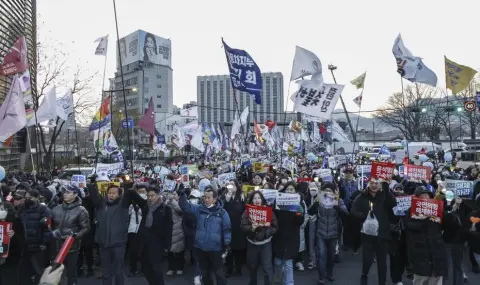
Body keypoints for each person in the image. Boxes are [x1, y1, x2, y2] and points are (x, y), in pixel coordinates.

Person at [89, 182, 145, 285]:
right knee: (106, 273)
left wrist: (128, 185)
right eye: (109, 193)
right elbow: (94, 196)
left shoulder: (123, 204)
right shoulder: (102, 204)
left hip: (118, 244)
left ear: (119, 195)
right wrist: (92, 186)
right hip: (103, 244)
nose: (111, 195)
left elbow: (128, 194)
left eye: (114, 193)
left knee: (118, 271)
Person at [178, 185, 231, 285]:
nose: (206, 200)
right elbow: (186, 206)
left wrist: (227, 244)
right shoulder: (199, 209)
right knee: (205, 274)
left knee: (219, 274)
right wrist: (182, 195)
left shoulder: (222, 213)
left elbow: (227, 229)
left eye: (208, 198)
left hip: (216, 249)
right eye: (204, 197)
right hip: (200, 248)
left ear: (214, 199)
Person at [351, 179, 397, 285]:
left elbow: (394, 204)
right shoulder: (362, 196)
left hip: (383, 233)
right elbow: (353, 210)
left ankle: (382, 282)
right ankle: (364, 274)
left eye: (377, 183)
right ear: (368, 184)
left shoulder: (385, 195)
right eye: (372, 183)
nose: (374, 185)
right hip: (368, 234)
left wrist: (386, 187)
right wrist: (363, 217)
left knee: (382, 263)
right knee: (367, 259)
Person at [405, 186, 447, 285]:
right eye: (422, 195)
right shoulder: (411, 210)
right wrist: (423, 220)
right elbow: (408, 226)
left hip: (437, 251)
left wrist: (450, 209)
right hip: (420, 253)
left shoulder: (437, 210)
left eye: (427, 195)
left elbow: (447, 225)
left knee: (436, 281)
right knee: (420, 280)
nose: (425, 197)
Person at [308, 182, 348, 284]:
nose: (328, 192)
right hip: (320, 233)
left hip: (333, 234)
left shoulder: (339, 201)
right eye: (326, 190)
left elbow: (346, 216)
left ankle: (329, 273)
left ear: (334, 192)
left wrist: (337, 207)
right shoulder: (319, 200)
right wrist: (316, 203)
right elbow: (310, 212)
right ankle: (321, 276)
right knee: (321, 254)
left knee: (331, 255)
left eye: (330, 190)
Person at [50, 185, 90, 285]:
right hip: (56, 246)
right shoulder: (55, 209)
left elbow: (86, 228)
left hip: (71, 247)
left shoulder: (81, 210)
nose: (65, 194)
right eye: (64, 192)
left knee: (71, 273)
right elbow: (50, 226)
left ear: (75, 194)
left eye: (68, 192)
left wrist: (75, 236)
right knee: (56, 273)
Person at [241, 190, 278, 285]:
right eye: (255, 198)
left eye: (259, 198)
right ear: (251, 200)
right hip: (252, 244)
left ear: (262, 200)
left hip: (265, 244)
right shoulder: (247, 212)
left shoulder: (268, 211)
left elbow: (275, 226)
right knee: (252, 268)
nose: (257, 200)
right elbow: (243, 226)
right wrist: (251, 228)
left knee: (267, 268)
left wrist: (267, 231)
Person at [137, 187, 173, 285]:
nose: (150, 198)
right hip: (144, 243)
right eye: (148, 196)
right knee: (145, 269)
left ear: (158, 196)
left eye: (152, 195)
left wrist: (167, 245)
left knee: (156, 270)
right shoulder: (146, 207)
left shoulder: (166, 209)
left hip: (157, 244)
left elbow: (169, 228)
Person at [17, 189, 52, 285]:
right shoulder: (21, 209)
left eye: (30, 198)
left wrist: (44, 243)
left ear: (36, 198)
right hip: (25, 245)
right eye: (26, 197)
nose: (28, 199)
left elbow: (47, 229)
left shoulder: (43, 209)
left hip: (38, 245)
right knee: (24, 271)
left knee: (38, 271)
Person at [127, 183, 147, 277]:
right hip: (132, 229)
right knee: (133, 251)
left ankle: (144, 268)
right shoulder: (132, 202)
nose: (142, 193)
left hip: (143, 229)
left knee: (143, 251)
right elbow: (127, 213)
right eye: (140, 192)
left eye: (143, 192)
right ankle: (133, 269)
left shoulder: (148, 203)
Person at [166, 190, 186, 276]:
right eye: (171, 194)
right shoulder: (167, 203)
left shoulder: (180, 203)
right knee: (170, 251)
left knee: (180, 251)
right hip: (169, 229)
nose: (172, 196)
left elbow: (180, 211)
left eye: (174, 194)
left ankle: (180, 267)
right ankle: (171, 268)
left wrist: (172, 201)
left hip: (179, 230)